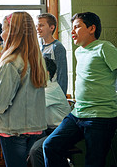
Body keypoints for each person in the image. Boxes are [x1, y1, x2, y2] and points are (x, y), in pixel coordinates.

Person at [43, 12, 117, 167]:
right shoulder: (79, 51)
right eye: (72, 27)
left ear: (92, 28)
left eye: (77, 27)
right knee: (50, 145)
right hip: (77, 114)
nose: (72, 31)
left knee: (93, 163)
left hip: (100, 116)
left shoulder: (104, 47)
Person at [0, 12, 47, 167]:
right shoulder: (38, 61)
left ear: (13, 31)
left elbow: (0, 101)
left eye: (4, 29)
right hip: (37, 128)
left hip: (14, 130)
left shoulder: (10, 62)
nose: (2, 33)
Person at [28, 57, 71, 167]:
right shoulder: (40, 88)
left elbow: (29, 107)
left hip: (62, 131)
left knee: (36, 151)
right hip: (48, 130)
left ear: (46, 73)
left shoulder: (51, 89)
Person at [36, 13, 68, 94]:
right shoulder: (37, 47)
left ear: (51, 27)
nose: (38, 29)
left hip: (53, 93)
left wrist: (62, 96)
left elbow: (62, 74)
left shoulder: (57, 47)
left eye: (41, 25)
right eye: (37, 26)